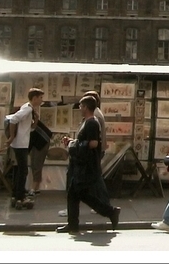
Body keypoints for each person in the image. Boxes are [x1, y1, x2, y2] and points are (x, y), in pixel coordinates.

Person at [56, 95, 121, 234]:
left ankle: (110, 211)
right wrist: (72, 141)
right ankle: (73, 224)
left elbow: (93, 143)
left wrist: (73, 144)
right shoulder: (87, 122)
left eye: (81, 106)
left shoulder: (92, 123)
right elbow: (84, 141)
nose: (79, 108)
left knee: (81, 194)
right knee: (74, 194)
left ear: (86, 107)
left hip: (86, 166)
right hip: (81, 164)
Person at [6, 87, 44, 209]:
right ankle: (19, 196)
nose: (41, 100)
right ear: (34, 98)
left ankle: (16, 194)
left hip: (22, 142)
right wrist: (12, 136)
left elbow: (31, 128)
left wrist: (36, 119)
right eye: (40, 98)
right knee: (23, 171)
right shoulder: (27, 109)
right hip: (20, 143)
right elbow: (13, 119)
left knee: (20, 170)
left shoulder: (29, 108)